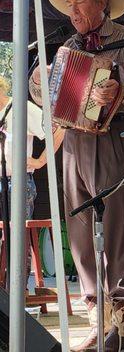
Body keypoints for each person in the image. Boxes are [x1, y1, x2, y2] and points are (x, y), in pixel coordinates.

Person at [29, 0, 124, 352]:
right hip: (74, 143)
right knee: (81, 228)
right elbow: (51, 101)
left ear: (101, 3)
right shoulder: (69, 46)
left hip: (116, 138)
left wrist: (119, 93)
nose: (73, 13)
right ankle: (96, 317)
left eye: (80, 3)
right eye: (69, 6)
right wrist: (39, 82)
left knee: (119, 225)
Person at [0, 75, 64, 282]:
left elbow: (58, 129)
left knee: (15, 240)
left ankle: (16, 295)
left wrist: (40, 161)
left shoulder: (19, 108)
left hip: (16, 182)